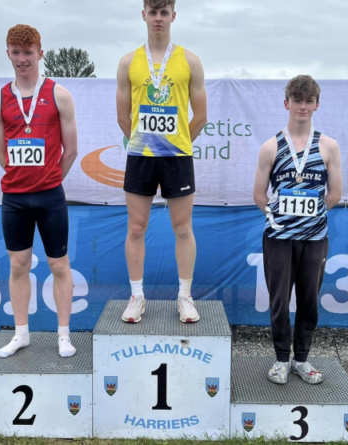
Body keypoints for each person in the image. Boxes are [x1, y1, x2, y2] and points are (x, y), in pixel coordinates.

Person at [0, 24, 79, 358]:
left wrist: (50, 179)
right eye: (16, 52)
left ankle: (64, 335)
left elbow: (70, 151)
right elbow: (2, 153)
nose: (22, 59)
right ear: (8, 53)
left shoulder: (59, 95)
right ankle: (21, 333)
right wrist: (22, 178)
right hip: (14, 198)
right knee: (18, 265)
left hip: (50, 196)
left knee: (59, 265)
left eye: (28, 52)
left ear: (40, 53)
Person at [115, 0, 207, 323]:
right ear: (143, 15)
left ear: (173, 16)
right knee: (136, 227)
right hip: (141, 157)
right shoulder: (128, 62)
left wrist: (176, 145)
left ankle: (184, 296)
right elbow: (123, 117)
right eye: (152, 12)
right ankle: (137, 297)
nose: (158, 18)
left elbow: (201, 116)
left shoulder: (190, 61)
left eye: (163, 12)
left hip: (177, 158)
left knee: (182, 228)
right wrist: (148, 144)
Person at [252, 75, 342, 384]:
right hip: (278, 238)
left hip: (314, 238)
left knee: (308, 300)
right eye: (297, 100)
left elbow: (335, 194)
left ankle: (301, 360)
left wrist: (311, 217)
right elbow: (258, 194)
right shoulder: (270, 147)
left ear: (316, 104)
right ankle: (280, 359)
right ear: (286, 103)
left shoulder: (329, 146)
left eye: (308, 101)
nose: (302, 107)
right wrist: (275, 217)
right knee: (279, 299)